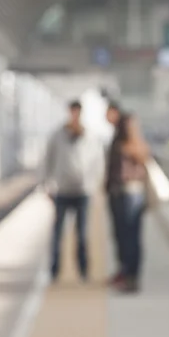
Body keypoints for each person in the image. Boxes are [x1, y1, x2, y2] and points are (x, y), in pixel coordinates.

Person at [43, 100, 103, 282]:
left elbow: (98, 162)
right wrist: (47, 183)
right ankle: (54, 271)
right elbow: (48, 159)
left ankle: (83, 271)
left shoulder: (90, 136)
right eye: (72, 111)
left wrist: (94, 184)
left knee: (82, 234)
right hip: (62, 190)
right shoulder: (57, 135)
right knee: (57, 233)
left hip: (83, 190)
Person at [105, 102, 150, 293]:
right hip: (119, 194)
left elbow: (139, 165)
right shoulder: (120, 141)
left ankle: (131, 277)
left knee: (130, 238)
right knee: (122, 237)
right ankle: (125, 273)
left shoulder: (133, 145)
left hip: (130, 194)